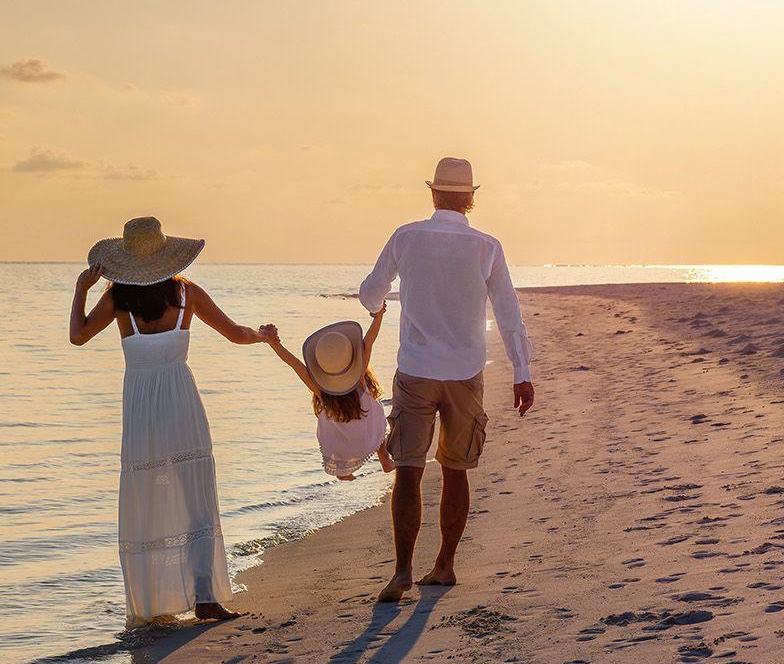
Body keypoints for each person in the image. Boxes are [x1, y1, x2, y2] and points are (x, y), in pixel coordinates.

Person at [69, 216, 266, 626]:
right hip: (181, 400)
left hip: (140, 407)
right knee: (195, 497)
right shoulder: (186, 293)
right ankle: (205, 596)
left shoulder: (117, 299)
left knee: (147, 495)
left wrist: (80, 290)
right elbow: (234, 333)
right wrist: (261, 335)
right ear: (165, 256)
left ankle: (154, 601)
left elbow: (78, 335)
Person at [359, 157, 534, 603]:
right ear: (471, 199)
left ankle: (401, 573)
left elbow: (369, 294)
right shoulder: (487, 246)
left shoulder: (406, 236)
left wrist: (381, 305)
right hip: (465, 372)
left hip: (416, 369)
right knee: (457, 471)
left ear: (434, 194)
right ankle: (444, 565)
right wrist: (522, 372)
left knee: (408, 472)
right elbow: (509, 314)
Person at [261, 304, 396, 481]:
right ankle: (385, 459)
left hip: (342, 449)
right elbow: (368, 342)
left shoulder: (320, 390)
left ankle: (343, 471)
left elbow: (294, 363)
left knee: (334, 427)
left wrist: (274, 343)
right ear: (352, 356)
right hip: (368, 440)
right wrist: (378, 317)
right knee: (376, 415)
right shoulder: (360, 378)